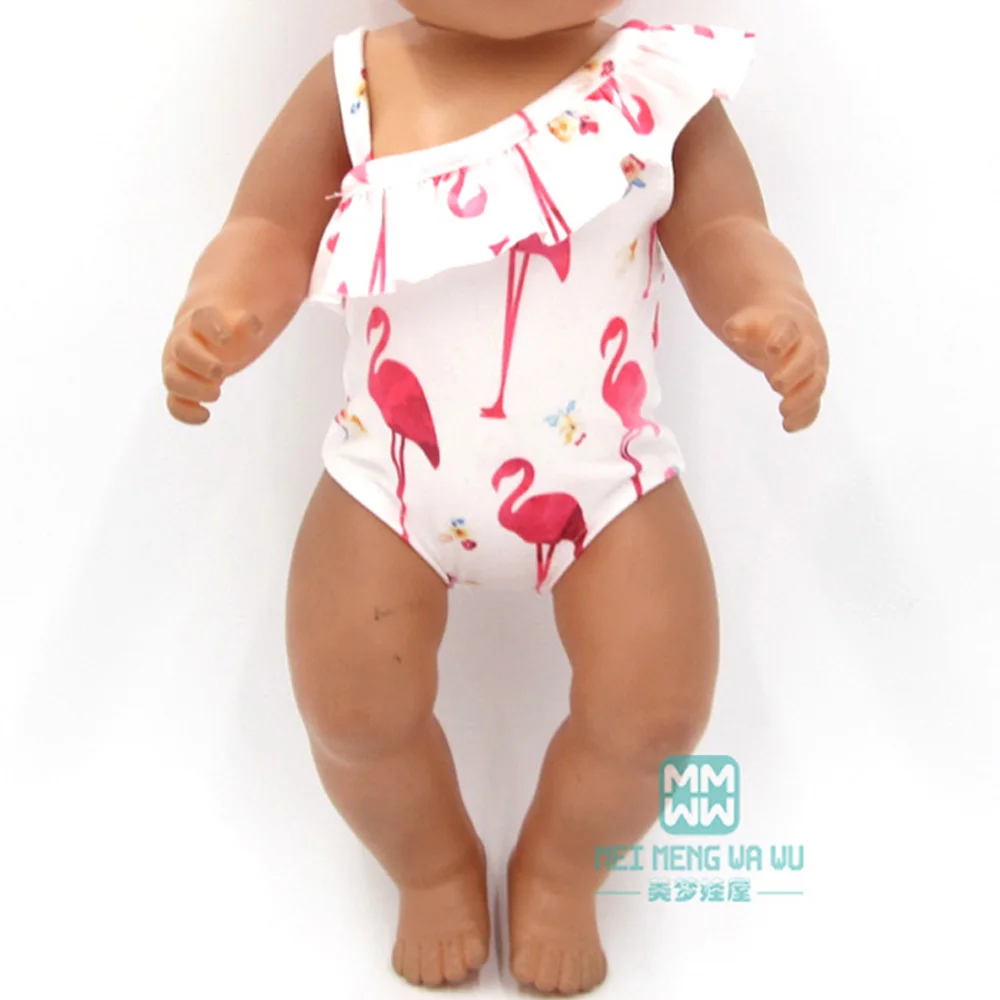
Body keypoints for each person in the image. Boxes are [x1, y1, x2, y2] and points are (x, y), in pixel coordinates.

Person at [161, 1, 829, 992]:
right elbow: (265, 226)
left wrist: (771, 303)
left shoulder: (652, 88)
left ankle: (562, 864)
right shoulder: (357, 82)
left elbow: (729, 226)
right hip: (390, 479)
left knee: (656, 715)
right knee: (351, 711)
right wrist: (223, 310)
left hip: (606, 480)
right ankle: (430, 863)